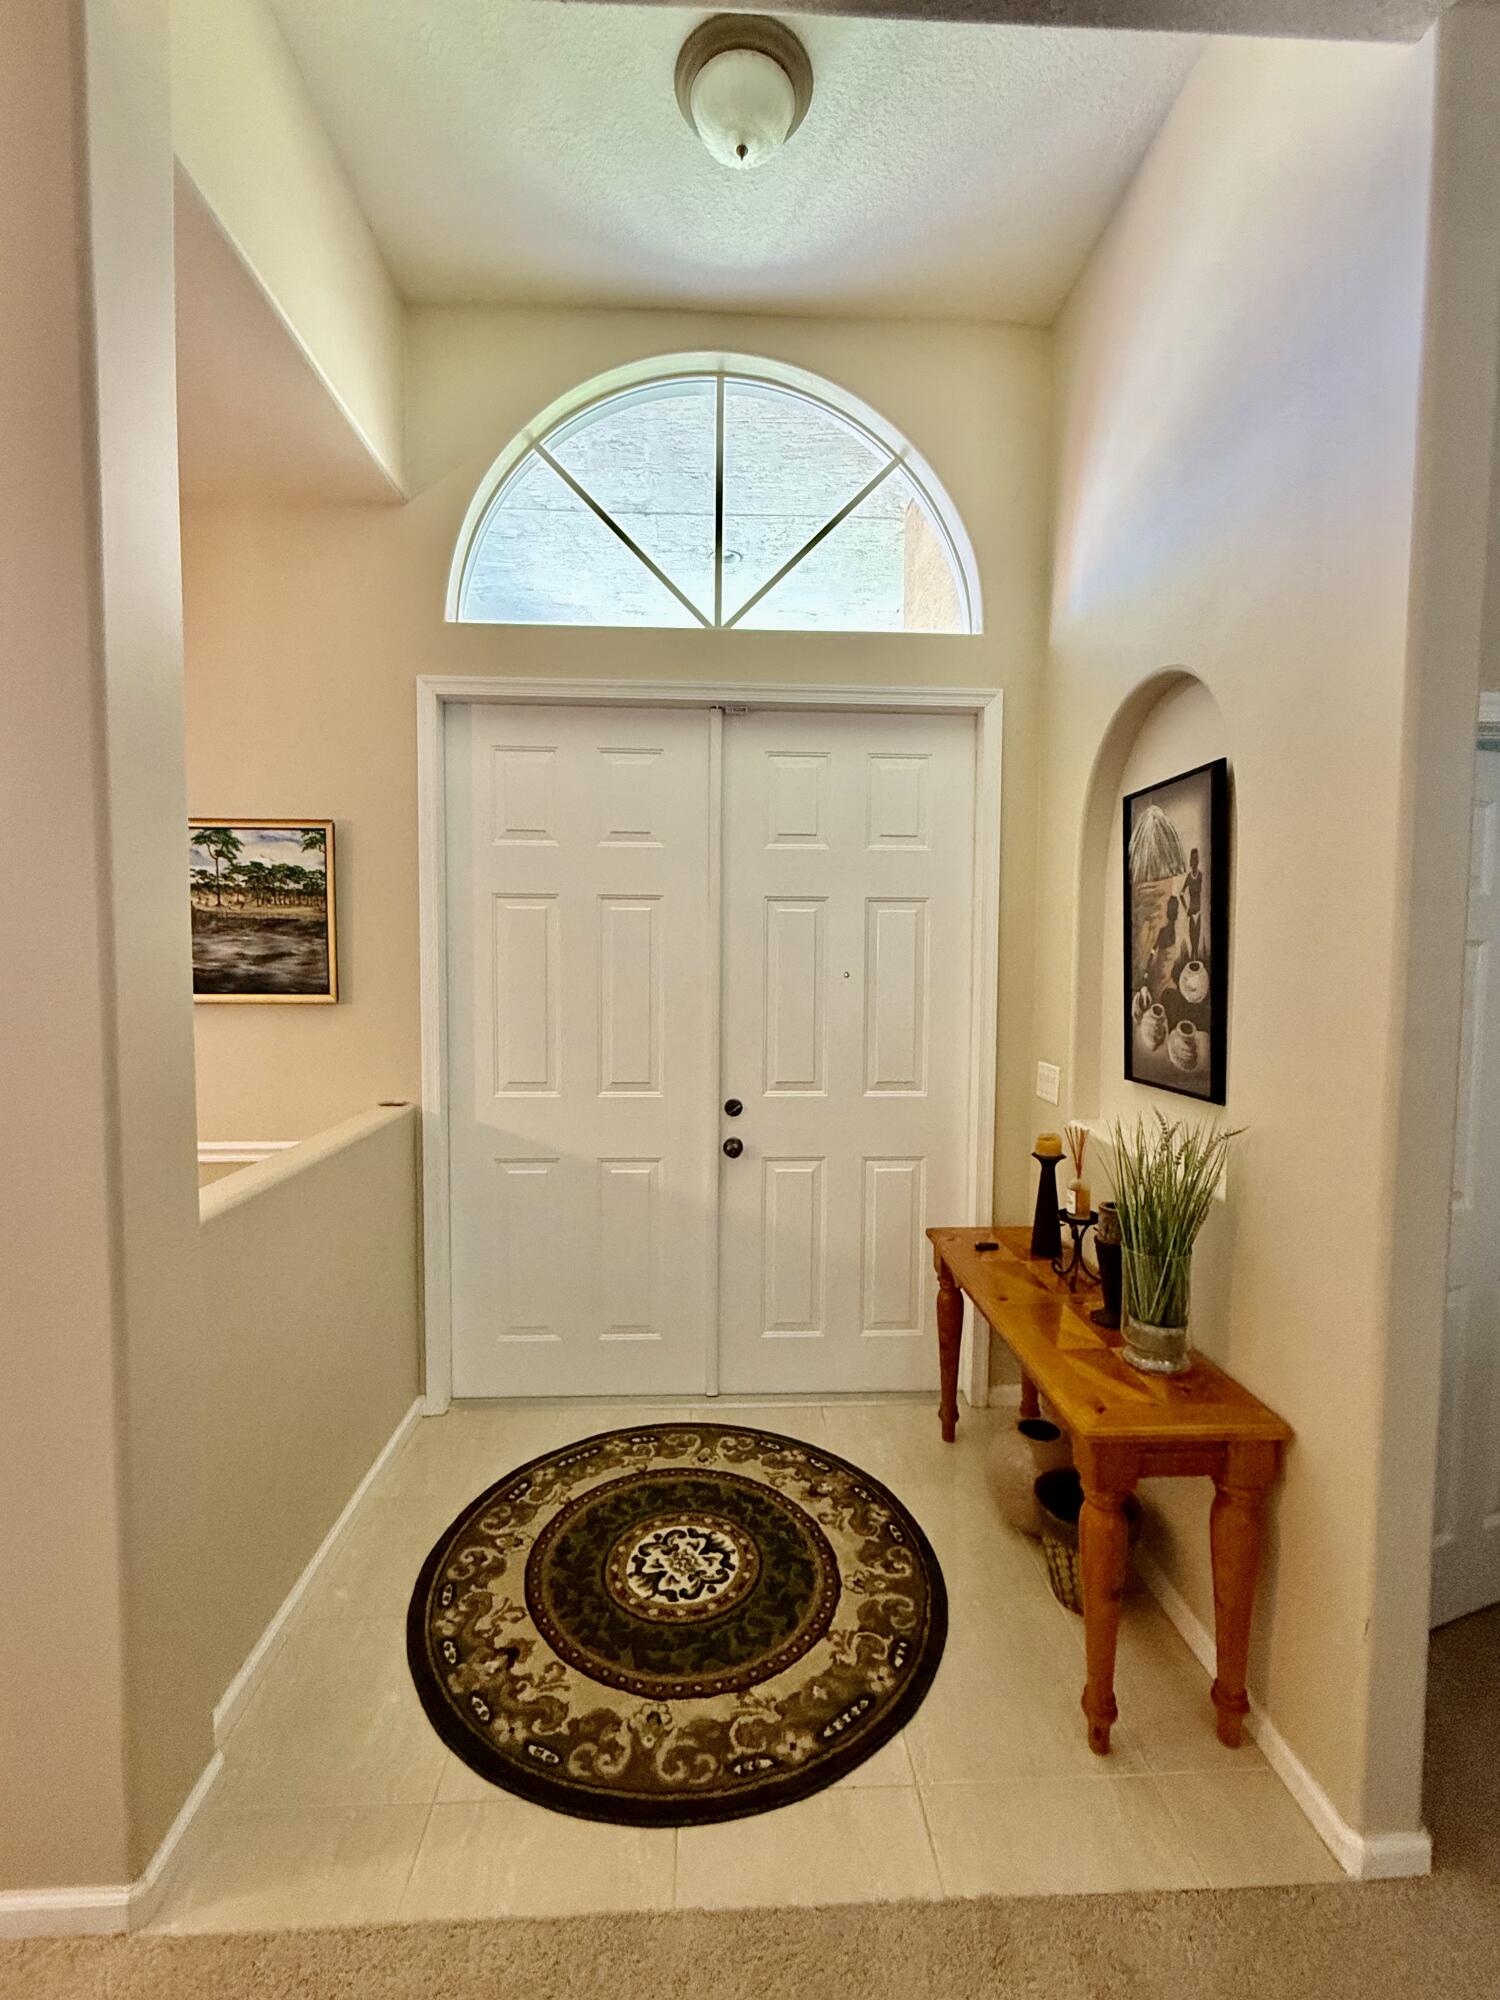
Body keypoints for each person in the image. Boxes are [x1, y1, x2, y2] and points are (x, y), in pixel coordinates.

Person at [1181, 848, 1205, 960]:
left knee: (1196, 941)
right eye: (1193, 859)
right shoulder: (1189, 877)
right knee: (1192, 942)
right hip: (1191, 912)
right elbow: (1181, 893)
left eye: (1196, 859)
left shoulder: (1200, 876)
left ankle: (1195, 962)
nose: (1195, 862)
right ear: (1191, 861)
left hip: (1198, 912)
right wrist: (1186, 909)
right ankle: (1192, 961)